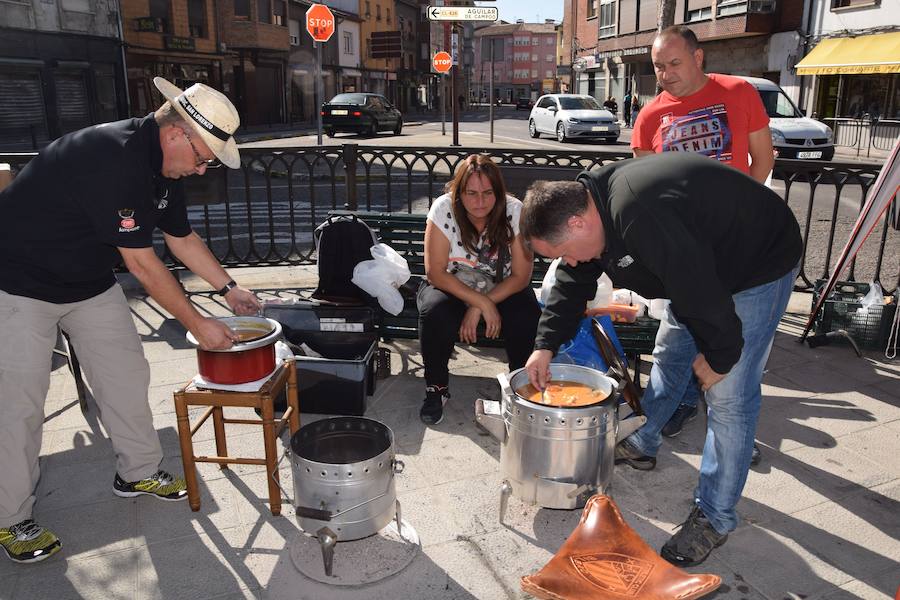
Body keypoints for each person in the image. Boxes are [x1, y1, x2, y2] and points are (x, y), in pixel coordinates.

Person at [0, 77, 261, 564]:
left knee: (125, 374)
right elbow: (143, 265)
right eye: (204, 157)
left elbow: (181, 238)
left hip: (87, 280)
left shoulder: (164, 169)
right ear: (178, 133)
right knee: (18, 406)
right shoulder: (113, 158)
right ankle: (10, 518)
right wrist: (198, 322)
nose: (204, 169)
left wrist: (228, 290)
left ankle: (137, 471)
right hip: (18, 283)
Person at [520, 153, 801, 567]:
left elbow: (700, 290)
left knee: (730, 396)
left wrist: (720, 357)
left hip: (757, 261)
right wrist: (544, 344)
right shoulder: (590, 210)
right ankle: (643, 439)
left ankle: (715, 517)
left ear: (578, 223)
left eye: (565, 251)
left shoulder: (640, 215)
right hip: (696, 262)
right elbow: (573, 277)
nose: (572, 260)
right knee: (671, 354)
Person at [632, 25, 776, 441]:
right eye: (659, 67)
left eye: (674, 63)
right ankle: (671, 411)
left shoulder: (739, 92)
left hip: (738, 243)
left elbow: (763, 158)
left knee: (737, 343)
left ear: (699, 58)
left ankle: (731, 431)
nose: (666, 74)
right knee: (679, 335)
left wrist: (740, 209)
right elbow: (646, 187)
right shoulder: (649, 116)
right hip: (686, 249)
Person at [418, 154, 540, 425]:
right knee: (435, 311)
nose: (480, 202)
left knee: (525, 313)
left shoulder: (514, 210)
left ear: (499, 192)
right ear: (458, 193)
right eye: (471, 193)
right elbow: (435, 272)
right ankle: (436, 388)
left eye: (488, 193)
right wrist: (481, 303)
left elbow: (521, 276)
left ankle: (519, 387)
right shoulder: (442, 208)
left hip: (503, 287)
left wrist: (480, 304)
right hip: (452, 284)